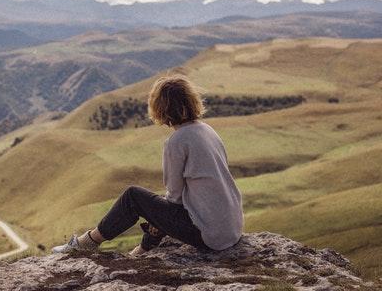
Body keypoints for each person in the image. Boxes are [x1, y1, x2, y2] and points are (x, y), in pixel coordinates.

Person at [52, 74, 243, 255]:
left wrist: (156, 213)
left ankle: (86, 243)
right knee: (157, 205)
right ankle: (144, 249)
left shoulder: (177, 141)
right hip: (231, 228)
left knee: (133, 197)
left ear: (160, 108)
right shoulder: (207, 130)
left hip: (210, 236)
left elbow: (175, 197)